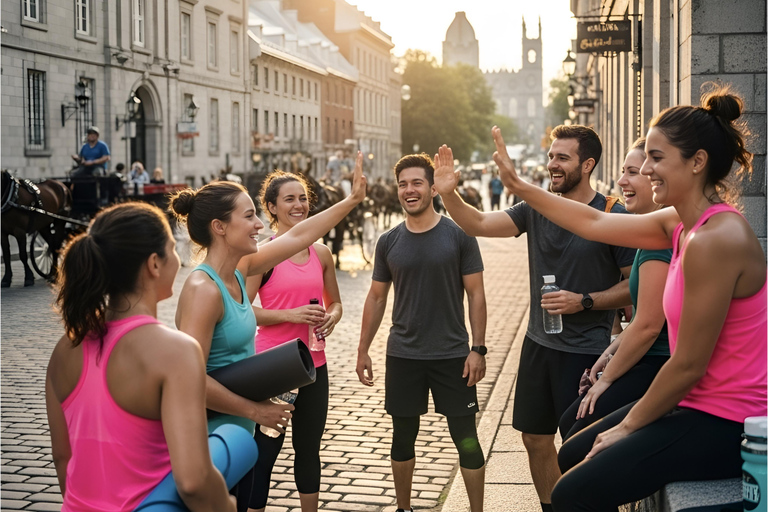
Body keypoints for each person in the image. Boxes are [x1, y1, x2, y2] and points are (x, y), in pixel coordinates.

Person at [492, 85, 766, 512]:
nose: (647, 169)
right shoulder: (680, 221)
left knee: (571, 491)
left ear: (697, 162)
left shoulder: (718, 238)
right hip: (696, 404)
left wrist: (627, 427)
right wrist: (519, 186)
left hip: (728, 420)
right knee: (569, 453)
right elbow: (594, 222)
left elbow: (689, 363)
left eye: (657, 158)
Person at [433, 126, 635, 512]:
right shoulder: (536, 207)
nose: (552, 165)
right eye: (551, 156)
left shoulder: (613, 214)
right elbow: (477, 223)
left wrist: (586, 301)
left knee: (581, 446)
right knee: (534, 438)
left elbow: (634, 286)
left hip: (587, 353)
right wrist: (448, 193)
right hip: (538, 345)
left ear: (588, 164)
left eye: (563, 158)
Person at [172, 152, 367, 512]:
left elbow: (304, 234)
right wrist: (257, 411)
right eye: (249, 217)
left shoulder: (240, 267)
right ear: (220, 227)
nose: (259, 226)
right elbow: (189, 379)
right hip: (214, 439)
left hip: (237, 435)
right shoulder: (204, 289)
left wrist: (352, 200)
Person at [45, 202, 235, 512]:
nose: (178, 258)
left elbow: (63, 457)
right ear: (154, 264)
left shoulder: (65, 348)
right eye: (173, 249)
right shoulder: (177, 351)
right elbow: (194, 481)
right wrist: (226, 506)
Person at [356, 153, 488, 512]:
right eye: (403, 184)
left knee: (466, 439)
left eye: (416, 183)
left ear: (432, 188)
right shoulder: (388, 242)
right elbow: (377, 297)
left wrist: (478, 348)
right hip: (403, 355)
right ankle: (404, 508)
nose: (409, 190)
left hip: (453, 355)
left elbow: (476, 294)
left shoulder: (459, 236)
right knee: (402, 438)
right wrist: (363, 349)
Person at [241, 171, 341, 512]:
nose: (299, 205)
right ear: (271, 207)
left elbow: (336, 302)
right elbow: (243, 311)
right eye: (289, 199)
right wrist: (290, 315)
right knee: (265, 451)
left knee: (308, 448)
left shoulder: (322, 253)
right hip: (274, 367)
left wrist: (332, 317)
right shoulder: (261, 255)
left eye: (302, 198)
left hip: (314, 365)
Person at [557, 138, 671, 441]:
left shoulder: (660, 239)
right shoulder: (645, 231)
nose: (621, 181)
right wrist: (608, 354)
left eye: (633, 172)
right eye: (624, 171)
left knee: (575, 439)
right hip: (643, 354)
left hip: (659, 363)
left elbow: (647, 326)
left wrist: (606, 378)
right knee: (569, 425)